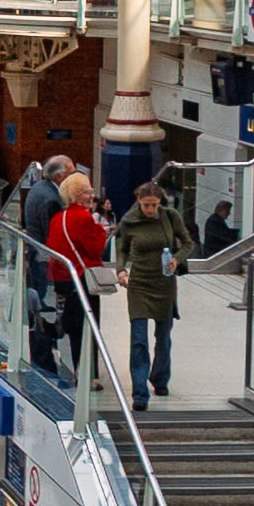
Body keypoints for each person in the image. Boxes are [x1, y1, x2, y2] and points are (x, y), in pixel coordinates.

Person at [114, 181, 194, 413]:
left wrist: (178, 258)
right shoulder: (130, 221)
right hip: (139, 283)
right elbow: (122, 247)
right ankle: (140, 392)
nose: (150, 210)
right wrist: (120, 269)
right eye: (146, 205)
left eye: (154, 205)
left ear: (160, 203)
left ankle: (160, 378)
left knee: (163, 337)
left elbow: (188, 242)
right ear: (139, 201)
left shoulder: (170, 217)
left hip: (165, 283)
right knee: (138, 338)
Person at [47, 170, 111, 377]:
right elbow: (95, 248)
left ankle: (76, 369)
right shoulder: (83, 217)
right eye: (86, 192)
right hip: (83, 279)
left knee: (72, 327)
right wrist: (102, 230)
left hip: (63, 279)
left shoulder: (58, 218)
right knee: (87, 328)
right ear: (75, 195)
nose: (91, 196)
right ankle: (88, 375)